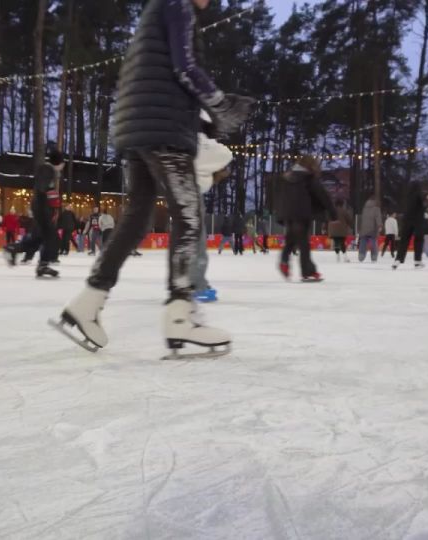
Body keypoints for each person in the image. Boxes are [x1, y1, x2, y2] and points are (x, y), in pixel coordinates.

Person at [55, 0, 253, 358]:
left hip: (137, 129)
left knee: (136, 218)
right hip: (163, 132)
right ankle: (180, 315)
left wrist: (204, 120)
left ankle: (88, 301)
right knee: (189, 215)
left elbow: (158, 79)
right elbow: (185, 68)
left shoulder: (156, 10)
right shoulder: (179, 5)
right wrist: (221, 104)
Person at [192, 109, 234, 303]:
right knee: (197, 243)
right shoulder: (199, 142)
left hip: (178, 193)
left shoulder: (176, 139)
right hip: (191, 195)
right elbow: (225, 154)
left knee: (184, 241)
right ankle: (196, 285)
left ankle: (183, 283)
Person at [4, 151, 65, 277]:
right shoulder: (47, 170)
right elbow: (44, 188)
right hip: (42, 208)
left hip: (42, 208)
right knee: (51, 236)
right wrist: (52, 202)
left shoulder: (49, 171)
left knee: (39, 238)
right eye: (62, 163)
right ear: (59, 163)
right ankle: (43, 265)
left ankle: (14, 249)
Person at [275, 156, 336, 281]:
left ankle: (284, 261)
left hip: (288, 215)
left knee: (291, 240)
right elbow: (322, 195)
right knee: (304, 244)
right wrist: (332, 212)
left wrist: (280, 214)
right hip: (302, 214)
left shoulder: (287, 178)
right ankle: (308, 272)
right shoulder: (308, 178)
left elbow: (280, 197)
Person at [392, 182, 428, 270]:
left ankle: (398, 260)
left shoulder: (407, 197)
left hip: (406, 220)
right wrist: (427, 197)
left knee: (404, 241)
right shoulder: (419, 194)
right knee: (418, 240)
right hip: (417, 221)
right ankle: (417, 261)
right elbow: (423, 199)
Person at [357, 195, 382, 262]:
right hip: (372, 229)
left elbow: (361, 219)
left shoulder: (364, 209)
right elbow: (378, 218)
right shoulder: (376, 209)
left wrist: (359, 228)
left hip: (364, 228)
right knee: (373, 241)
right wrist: (380, 226)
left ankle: (361, 256)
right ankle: (374, 256)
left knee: (363, 242)